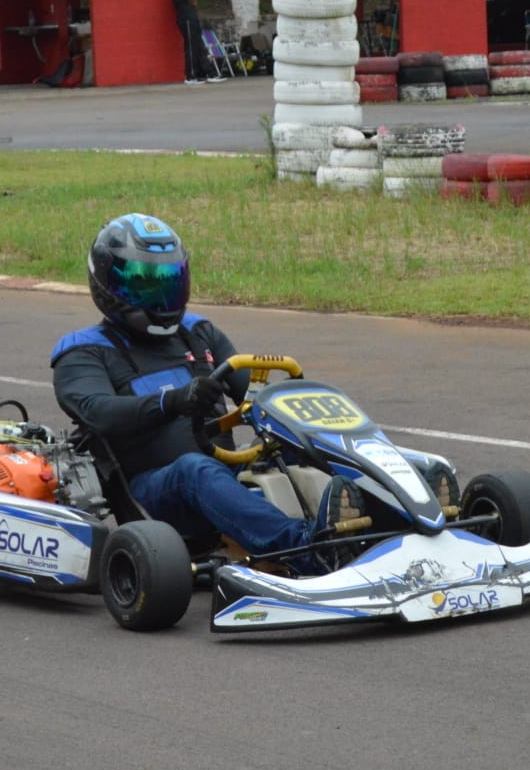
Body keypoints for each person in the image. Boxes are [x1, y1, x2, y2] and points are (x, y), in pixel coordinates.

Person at [50, 213, 364, 572]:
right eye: (146, 283)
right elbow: (99, 411)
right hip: (153, 494)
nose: (161, 294)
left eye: (170, 280)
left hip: (223, 474)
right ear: (107, 283)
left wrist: (293, 415)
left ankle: (385, 521)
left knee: (301, 445)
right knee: (195, 469)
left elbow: (254, 392)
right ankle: (305, 550)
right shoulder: (84, 351)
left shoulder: (197, 333)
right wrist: (174, 401)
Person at [171, 0, 221, 84]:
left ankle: (209, 73)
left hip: (192, 18)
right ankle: (190, 76)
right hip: (186, 19)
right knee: (191, 47)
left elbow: (194, 1)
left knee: (200, 47)